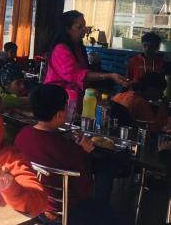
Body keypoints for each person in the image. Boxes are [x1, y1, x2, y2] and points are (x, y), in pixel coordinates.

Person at [15, 84, 119, 225]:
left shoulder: (22, 135)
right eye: (66, 107)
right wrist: (85, 153)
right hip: (63, 213)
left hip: (31, 204)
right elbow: (86, 192)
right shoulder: (70, 150)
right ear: (59, 114)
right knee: (112, 213)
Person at [44, 10, 128, 103]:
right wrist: (110, 76)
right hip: (58, 100)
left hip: (73, 100)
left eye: (84, 25)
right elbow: (76, 75)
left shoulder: (78, 47)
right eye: (79, 27)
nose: (85, 29)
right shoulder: (61, 49)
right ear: (67, 29)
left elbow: (84, 72)